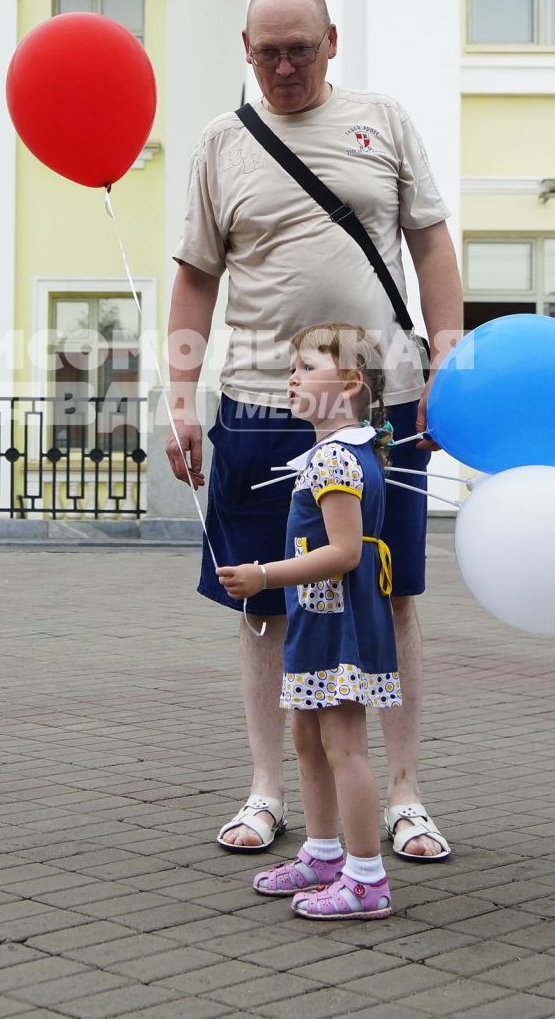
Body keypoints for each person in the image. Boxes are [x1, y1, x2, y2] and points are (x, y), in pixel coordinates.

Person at [168, 0, 464, 862]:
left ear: (332, 41)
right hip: (261, 405)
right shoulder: (222, 143)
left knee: (393, 593)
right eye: (268, 53)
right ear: (245, 50)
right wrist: (181, 397)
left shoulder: (384, 120)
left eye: (300, 50)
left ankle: (404, 794)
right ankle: (268, 791)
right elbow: (194, 279)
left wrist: (449, 355)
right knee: (261, 603)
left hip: (386, 409)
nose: (285, 68)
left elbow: (431, 243)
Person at [218, 324, 399, 919]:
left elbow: (346, 551)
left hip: (341, 625)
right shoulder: (332, 453)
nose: (291, 377)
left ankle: (367, 877)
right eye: (290, 367)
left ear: (349, 383)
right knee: (307, 737)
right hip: (318, 619)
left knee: (344, 744)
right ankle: (322, 855)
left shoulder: (338, 459)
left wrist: (265, 576)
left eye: (305, 366)